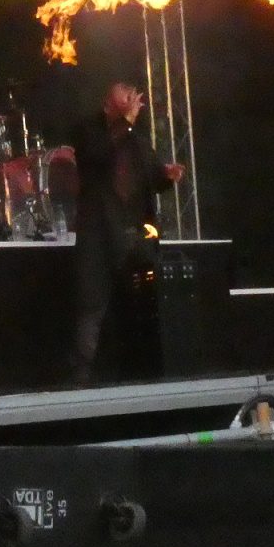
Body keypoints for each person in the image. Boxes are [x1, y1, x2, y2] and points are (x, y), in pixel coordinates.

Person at [68, 82, 185, 385]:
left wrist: (166, 175)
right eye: (125, 93)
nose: (132, 96)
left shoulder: (136, 139)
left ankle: (143, 373)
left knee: (139, 304)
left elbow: (152, 177)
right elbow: (98, 156)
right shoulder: (90, 132)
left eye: (133, 93)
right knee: (92, 308)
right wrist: (127, 122)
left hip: (134, 233)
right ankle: (83, 379)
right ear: (108, 104)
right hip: (98, 235)